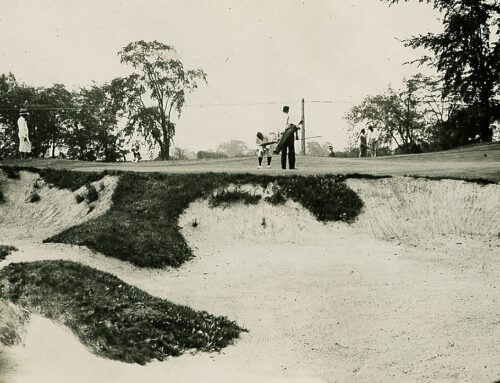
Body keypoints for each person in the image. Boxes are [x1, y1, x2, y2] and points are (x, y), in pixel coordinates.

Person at [274, 105, 302, 169]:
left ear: (282, 110)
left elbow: (278, 129)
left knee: (283, 151)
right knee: (291, 150)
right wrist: (297, 135)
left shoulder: (279, 118)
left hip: (282, 135)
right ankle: (291, 167)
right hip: (289, 135)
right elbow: (294, 126)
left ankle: (283, 167)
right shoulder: (290, 116)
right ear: (288, 110)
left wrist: (278, 137)